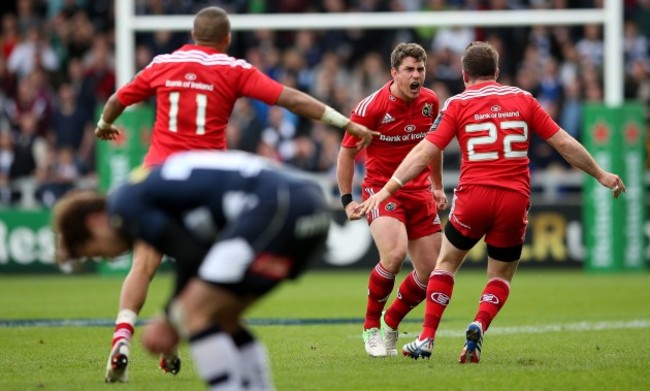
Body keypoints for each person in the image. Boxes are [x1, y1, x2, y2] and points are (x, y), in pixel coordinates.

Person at [93, 6, 377, 383]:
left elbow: (117, 99)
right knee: (203, 270)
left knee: (143, 265)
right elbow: (289, 98)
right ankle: (179, 337)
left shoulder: (162, 62)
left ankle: (123, 337)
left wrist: (104, 124)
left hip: (160, 178)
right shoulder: (233, 68)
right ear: (226, 39)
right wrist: (344, 122)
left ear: (194, 35)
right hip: (210, 186)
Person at [356, 41, 625, 363]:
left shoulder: (456, 103)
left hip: (474, 198)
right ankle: (479, 324)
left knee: (445, 264)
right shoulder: (523, 99)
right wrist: (600, 174)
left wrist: (387, 189)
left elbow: (425, 152)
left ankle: (426, 338)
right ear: (496, 72)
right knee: (499, 276)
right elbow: (564, 143)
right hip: (514, 198)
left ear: (464, 74)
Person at [52, 150, 331, 391]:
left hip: (277, 206)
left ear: (94, 221)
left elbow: (191, 256)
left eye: (97, 250)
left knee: (193, 314)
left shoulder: (125, 206)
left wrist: (170, 317)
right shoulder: (144, 192)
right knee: (223, 317)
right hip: (308, 203)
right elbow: (196, 257)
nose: (108, 257)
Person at [336, 42, 446, 357]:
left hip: (420, 191)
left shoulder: (430, 102)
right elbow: (347, 152)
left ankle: (391, 321)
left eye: (421, 69)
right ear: (394, 73)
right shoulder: (370, 108)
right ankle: (370, 327)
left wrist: (437, 186)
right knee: (395, 255)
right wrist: (347, 199)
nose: (416, 76)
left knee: (430, 273)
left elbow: (433, 146)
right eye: (409, 70)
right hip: (381, 189)